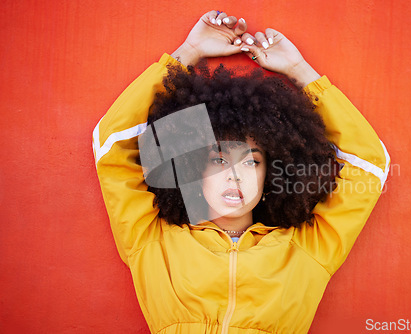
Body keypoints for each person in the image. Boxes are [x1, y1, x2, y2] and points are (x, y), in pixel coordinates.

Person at [93, 10, 390, 334]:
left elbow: (368, 163)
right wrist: (188, 53)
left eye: (251, 162)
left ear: (273, 174)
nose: (235, 175)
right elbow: (112, 144)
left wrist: (300, 72)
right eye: (220, 159)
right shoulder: (150, 238)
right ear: (193, 167)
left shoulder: (308, 247)